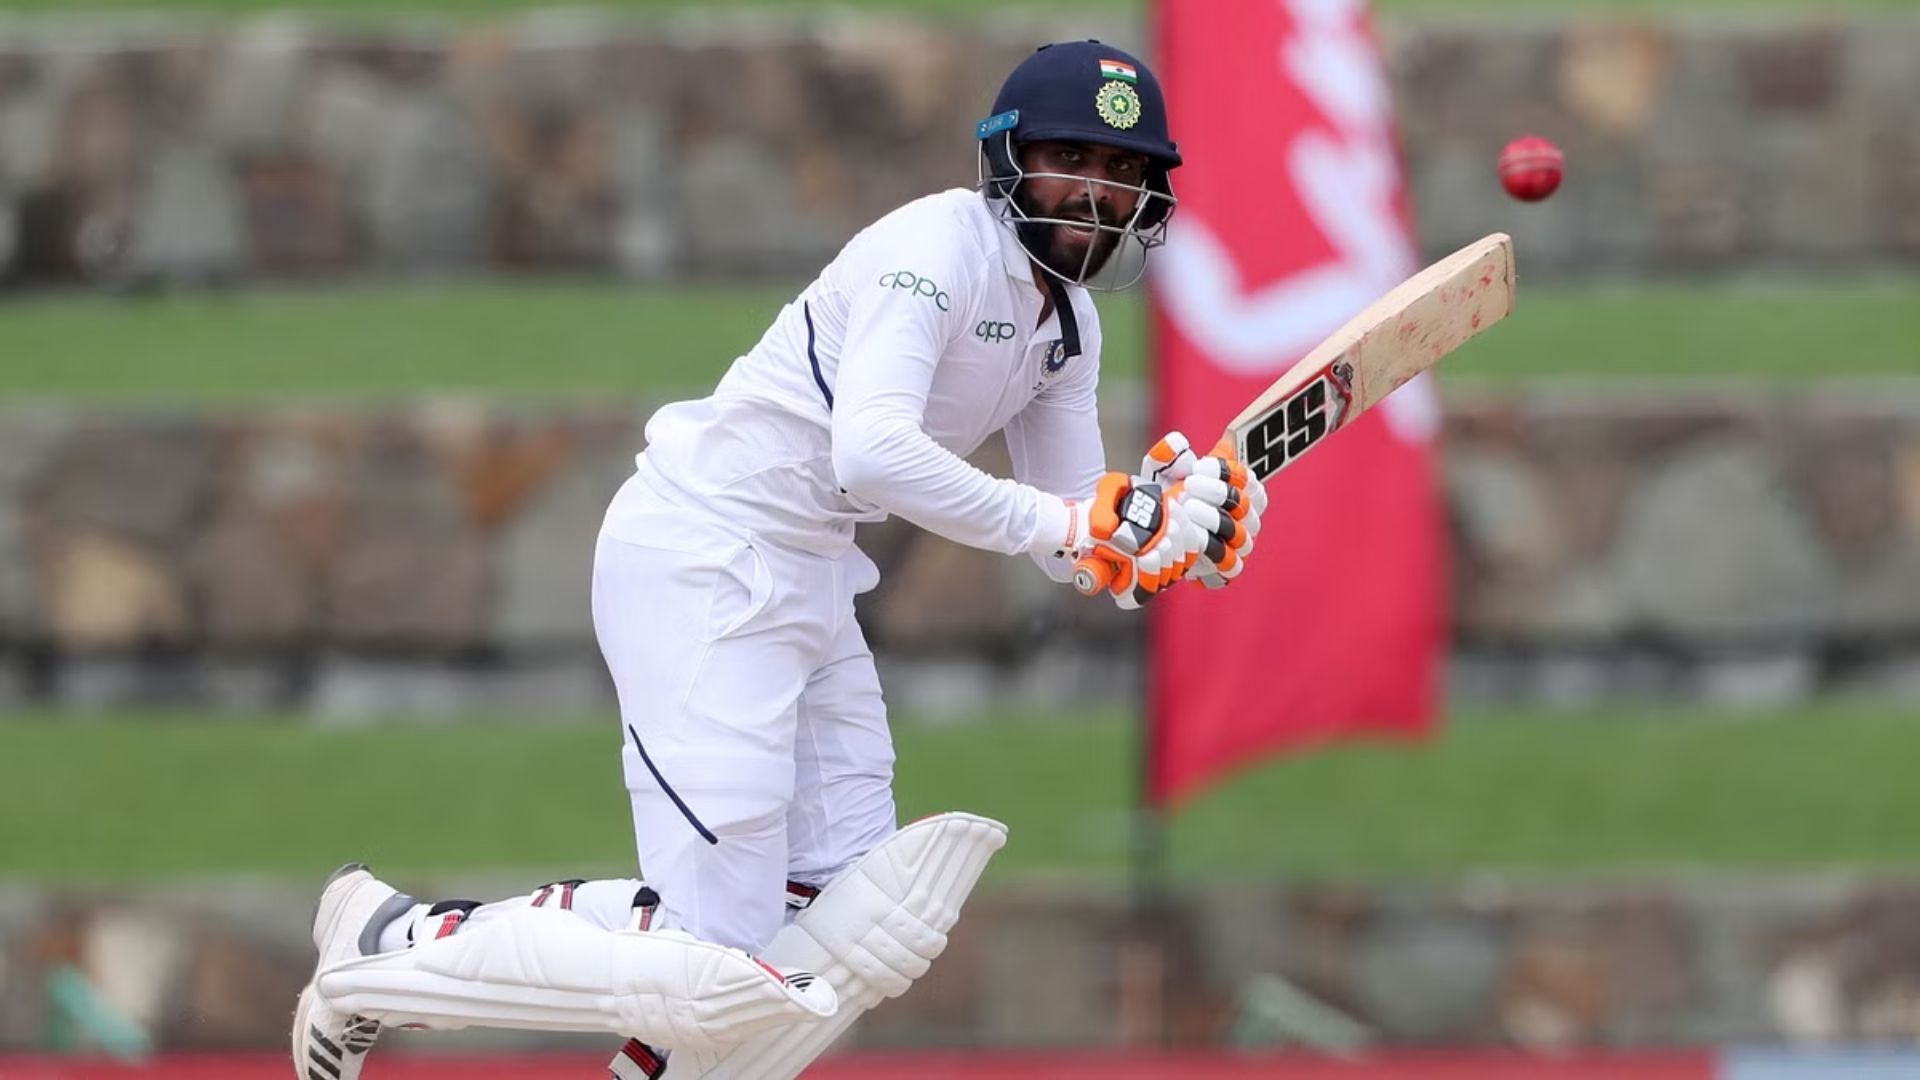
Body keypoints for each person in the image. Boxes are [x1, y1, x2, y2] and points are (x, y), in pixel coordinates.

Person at [291, 39, 1266, 1080]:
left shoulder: (1068, 327)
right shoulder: (933, 253)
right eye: (1078, 158)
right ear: (1008, 159)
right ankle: (385, 950)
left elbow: (1074, 538)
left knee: (846, 914)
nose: (1101, 192)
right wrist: (1080, 528)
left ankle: (410, 938)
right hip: (703, 555)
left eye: (1126, 172)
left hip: (809, 575)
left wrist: (1163, 538)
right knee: (709, 962)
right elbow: (877, 450)